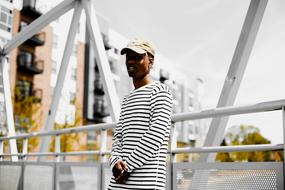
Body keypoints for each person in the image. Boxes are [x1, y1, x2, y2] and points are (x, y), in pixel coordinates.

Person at [108, 39, 173, 190]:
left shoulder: (161, 91)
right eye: (128, 57)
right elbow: (118, 136)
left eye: (137, 57)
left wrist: (127, 166)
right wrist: (114, 161)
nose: (131, 61)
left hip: (147, 183)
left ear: (151, 61)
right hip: (118, 182)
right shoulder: (127, 99)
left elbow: (156, 133)